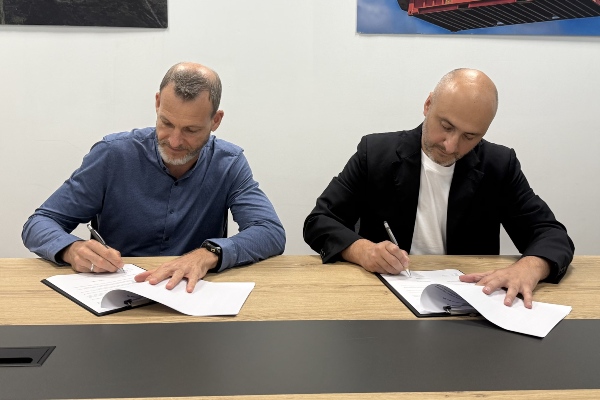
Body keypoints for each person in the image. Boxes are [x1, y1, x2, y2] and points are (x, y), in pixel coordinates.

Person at [303, 68, 574, 308]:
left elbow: (550, 233)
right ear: (428, 104)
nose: (451, 145)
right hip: (382, 298)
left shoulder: (499, 165)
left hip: (470, 302)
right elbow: (320, 220)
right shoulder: (375, 153)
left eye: (470, 136)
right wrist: (363, 250)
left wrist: (529, 267)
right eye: (446, 126)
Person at [23, 62, 285, 292]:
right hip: (114, 294)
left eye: (191, 130)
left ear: (215, 120)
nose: (175, 141)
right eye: (166, 123)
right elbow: (39, 223)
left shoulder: (229, 163)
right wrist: (71, 249)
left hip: (191, 296)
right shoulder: (113, 155)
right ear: (158, 103)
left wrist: (210, 254)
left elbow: (270, 231)